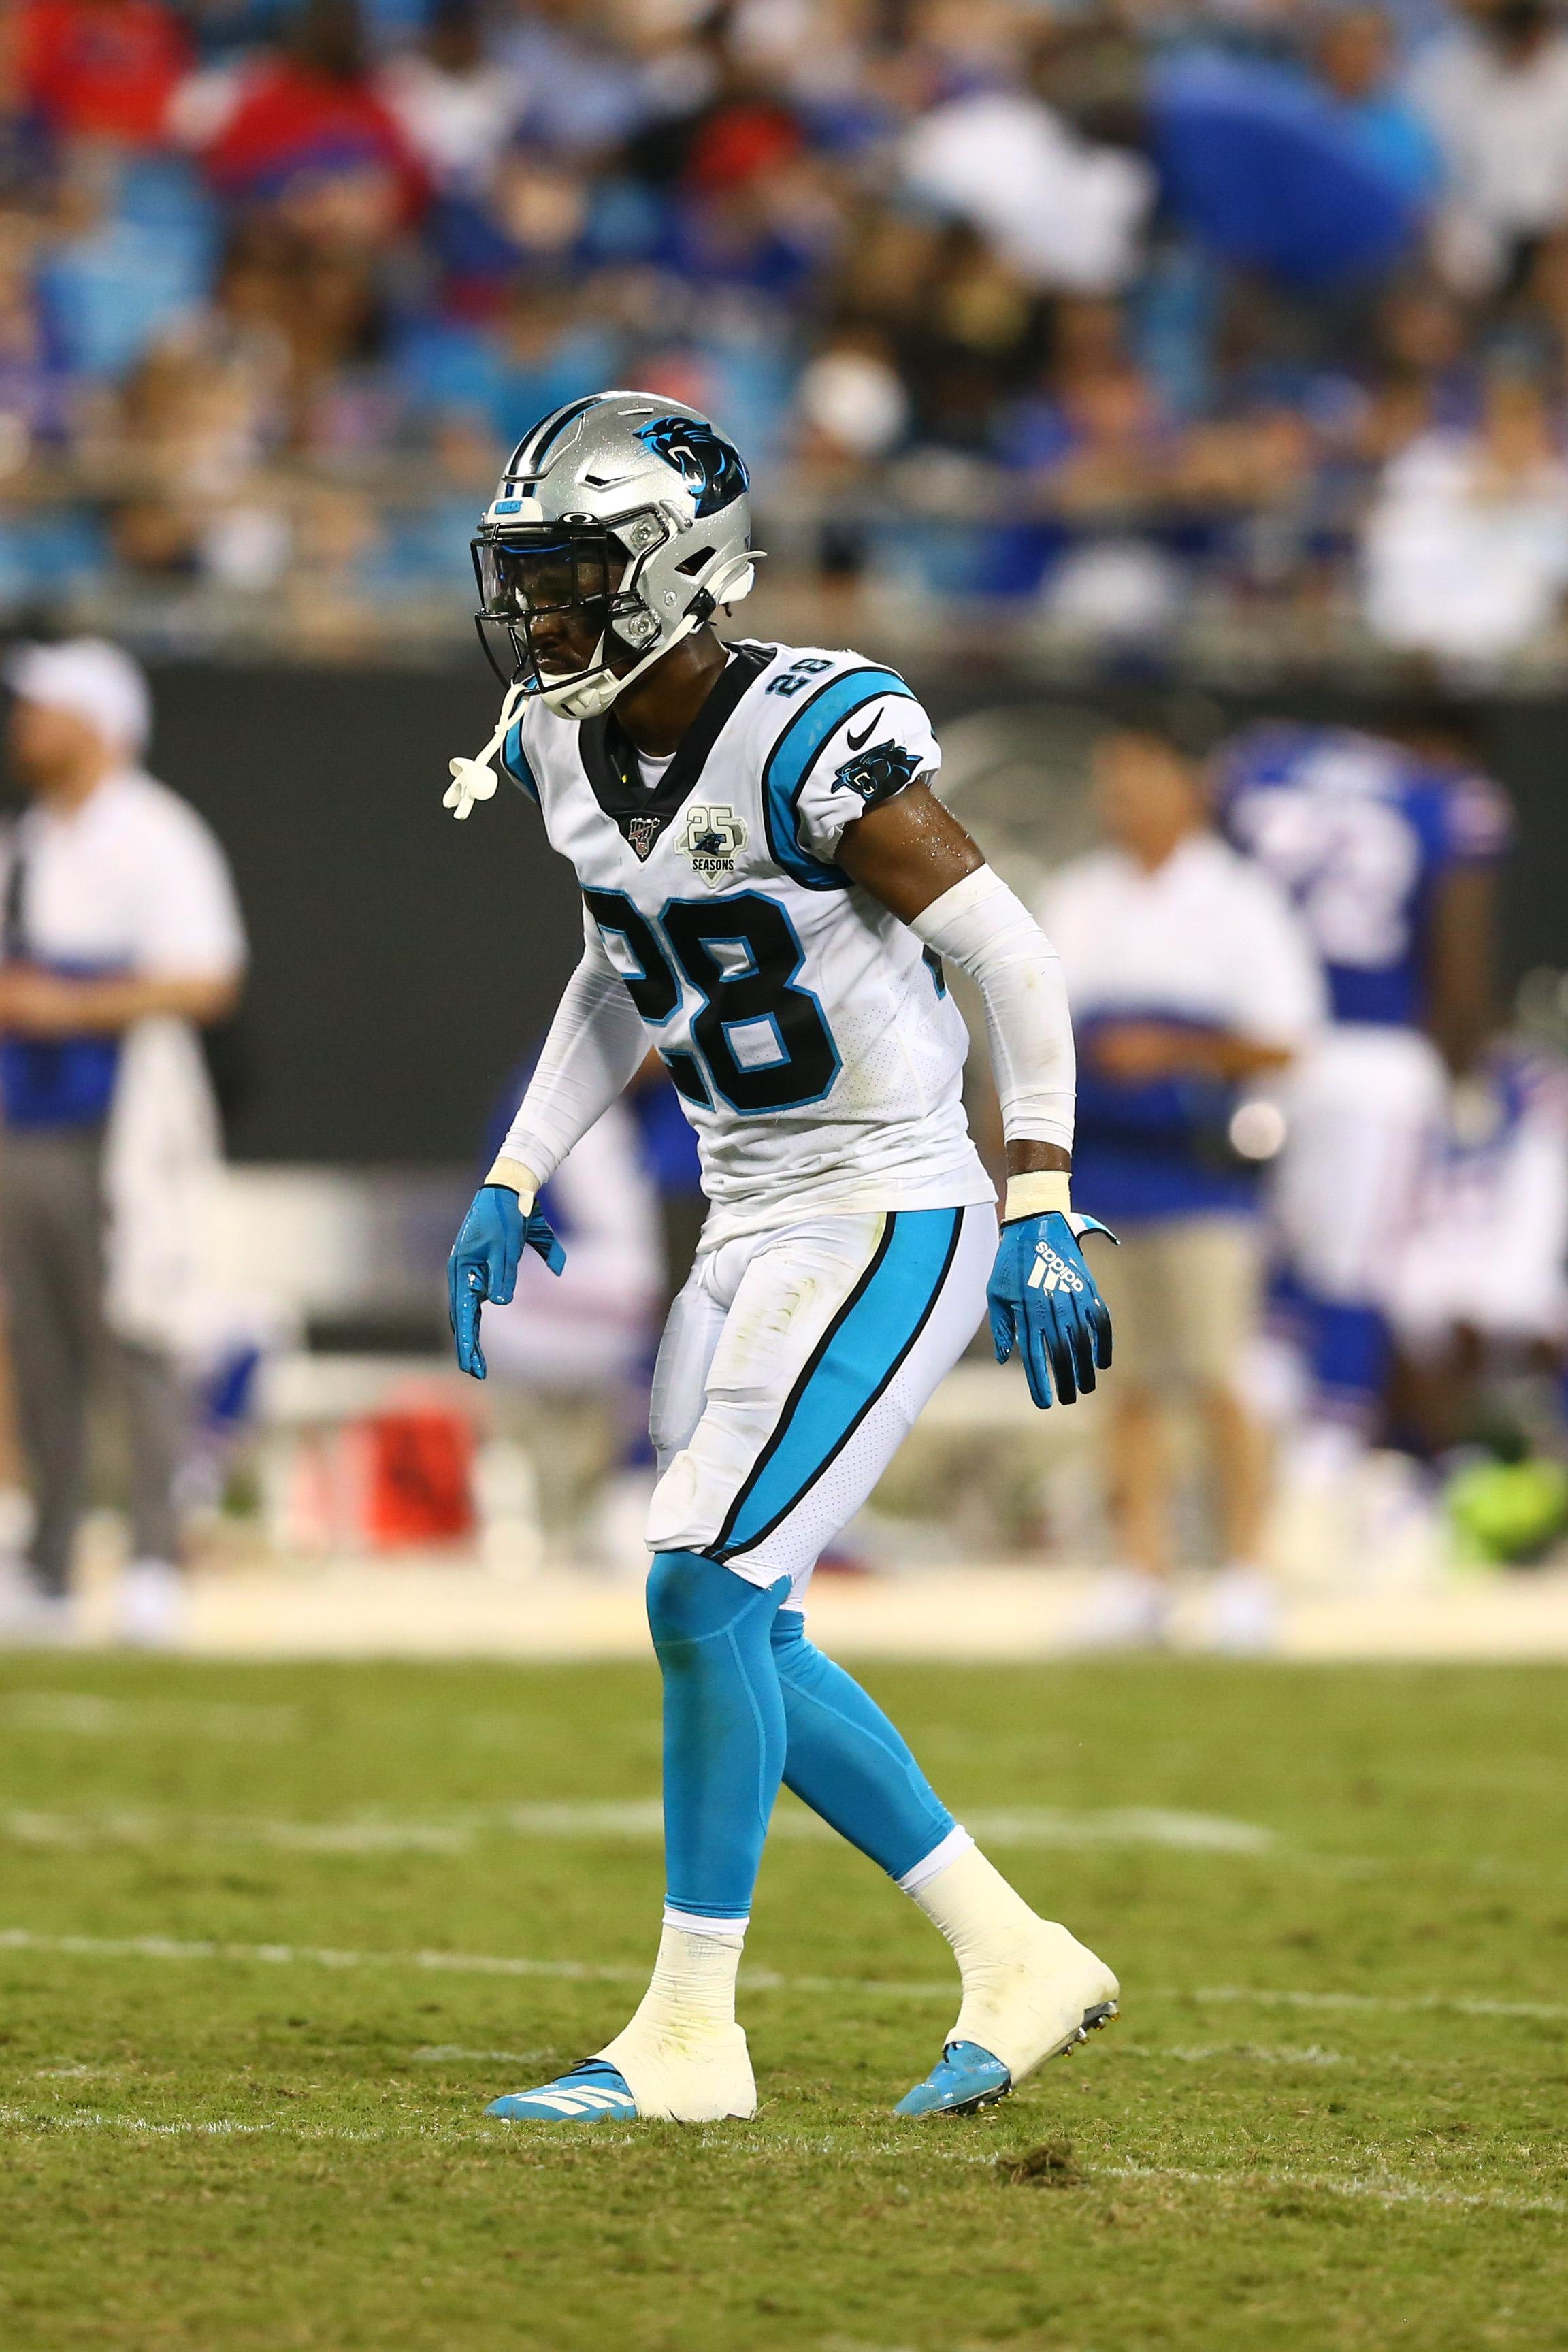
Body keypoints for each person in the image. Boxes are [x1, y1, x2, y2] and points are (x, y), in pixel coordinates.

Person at [440, 390, 1117, 2125]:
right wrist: (520, 1166)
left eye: (576, 577)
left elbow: (1011, 956)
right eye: (530, 580)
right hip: (747, 1215)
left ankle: (688, 2032)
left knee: (700, 1588)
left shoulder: (812, 730)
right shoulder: (571, 749)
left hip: (887, 1201)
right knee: (747, 1618)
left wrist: (1039, 1195)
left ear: (677, 568)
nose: (543, 615)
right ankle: (1017, 1951)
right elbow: (627, 960)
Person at [1039, 725, 1325, 1651]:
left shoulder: (1238, 902)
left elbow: (1286, 1038)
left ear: (1188, 787)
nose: (1121, 799)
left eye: (1139, 780)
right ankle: (1142, 1570)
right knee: (1122, 1383)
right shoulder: (1080, 895)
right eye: (1111, 782)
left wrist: (1178, 1050)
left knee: (1214, 1374)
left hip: (1200, 1172)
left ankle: (1244, 1569)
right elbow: (1036, 1026)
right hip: (1106, 1170)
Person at [0, 636, 246, 1643]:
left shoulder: (156, 835)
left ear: (95, 723)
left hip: (125, 1124)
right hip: (28, 1120)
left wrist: (68, 1003)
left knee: (139, 1334)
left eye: (41, 709)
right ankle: (51, 1562)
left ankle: (153, 1557)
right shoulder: (29, 841)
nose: (23, 728)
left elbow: (207, 977)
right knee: (39, 1347)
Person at [1215, 710, 1512, 1463]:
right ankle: (1324, 1471)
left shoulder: (1264, 764)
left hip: (1260, 1049)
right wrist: (1466, 1075)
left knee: (1270, 1280)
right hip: (1377, 1061)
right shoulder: (1444, 796)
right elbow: (1460, 959)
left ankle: (1250, 1466)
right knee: (1354, 1279)